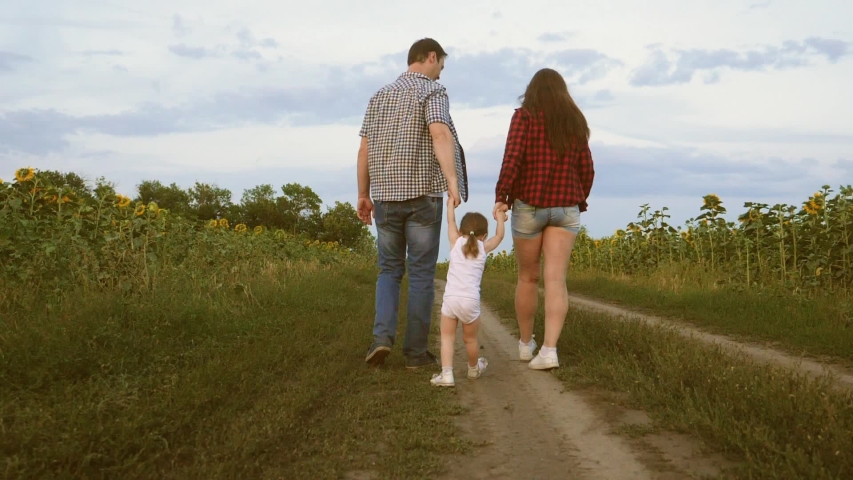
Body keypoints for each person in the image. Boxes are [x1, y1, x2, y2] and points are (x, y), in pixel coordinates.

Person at [356, 38, 468, 369]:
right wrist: (452, 181)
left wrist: (363, 194)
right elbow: (439, 133)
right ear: (430, 57)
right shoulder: (431, 92)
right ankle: (416, 354)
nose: (439, 74)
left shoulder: (378, 97)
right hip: (423, 195)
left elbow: (363, 150)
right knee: (420, 273)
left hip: (386, 199)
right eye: (440, 67)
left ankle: (381, 339)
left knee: (389, 270)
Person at [492, 68, 595, 370]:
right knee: (555, 280)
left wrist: (502, 196)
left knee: (528, 277)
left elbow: (513, 158)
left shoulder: (523, 117)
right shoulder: (574, 121)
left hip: (529, 207)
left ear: (532, 90)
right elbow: (587, 169)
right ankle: (549, 351)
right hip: (566, 207)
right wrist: (579, 199)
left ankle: (526, 345)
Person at [430, 198, 506, 387]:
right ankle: (473, 369)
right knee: (470, 339)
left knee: (447, 338)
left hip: (451, 300)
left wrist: (450, 205)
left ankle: (447, 374)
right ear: (484, 235)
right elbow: (499, 237)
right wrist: (501, 219)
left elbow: (450, 222)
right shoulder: (484, 247)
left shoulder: (455, 242)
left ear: (461, 232)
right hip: (470, 301)